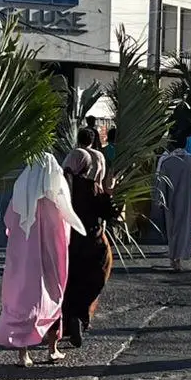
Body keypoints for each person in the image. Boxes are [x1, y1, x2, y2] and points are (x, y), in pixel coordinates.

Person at [0, 154, 83, 366]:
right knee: (53, 298)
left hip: (24, 261)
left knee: (25, 301)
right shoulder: (56, 198)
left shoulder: (22, 190)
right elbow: (66, 229)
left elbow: (9, 222)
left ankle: (23, 353)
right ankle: (52, 348)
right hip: (52, 260)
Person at [62, 146, 115, 347]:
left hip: (66, 243)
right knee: (91, 281)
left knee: (68, 283)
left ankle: (66, 321)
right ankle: (79, 316)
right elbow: (107, 212)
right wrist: (109, 191)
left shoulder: (60, 186)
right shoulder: (91, 186)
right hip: (90, 243)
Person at [155, 139, 191, 271]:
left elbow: (161, 183)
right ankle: (179, 258)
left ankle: (173, 258)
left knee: (172, 229)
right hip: (188, 201)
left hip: (170, 200)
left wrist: (159, 201)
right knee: (184, 230)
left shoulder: (166, 162)